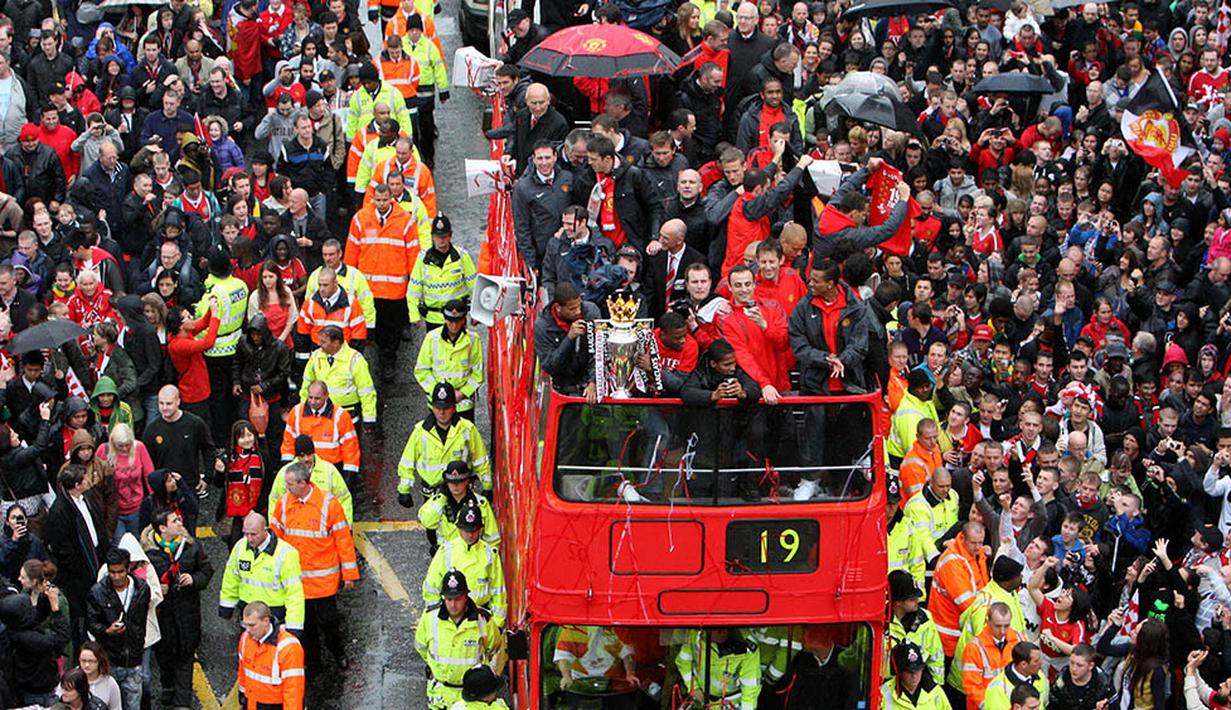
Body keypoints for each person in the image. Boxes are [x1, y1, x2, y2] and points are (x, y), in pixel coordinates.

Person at [269, 461, 357, 669]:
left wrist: (349, 574)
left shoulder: (329, 504)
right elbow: (275, 536)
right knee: (305, 624)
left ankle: (337, 652)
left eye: (290, 484)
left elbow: (343, 539)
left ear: (303, 482)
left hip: (322, 580)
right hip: (297, 578)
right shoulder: (284, 503)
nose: (286, 488)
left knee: (329, 621)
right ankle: (312, 660)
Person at [344, 182, 429, 382]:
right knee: (370, 329)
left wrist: (414, 287)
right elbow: (351, 254)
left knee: (392, 331)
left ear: (391, 198)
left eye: (385, 200)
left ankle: (388, 360)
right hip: (369, 291)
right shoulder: (360, 220)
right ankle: (374, 359)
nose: (381, 204)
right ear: (373, 199)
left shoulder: (405, 222)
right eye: (378, 200)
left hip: (395, 291)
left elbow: (413, 256)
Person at [142, 508, 213, 709]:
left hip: (186, 614)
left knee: (185, 657)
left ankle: (182, 702)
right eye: (174, 521)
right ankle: (168, 688)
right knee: (164, 656)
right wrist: (155, 589)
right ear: (162, 528)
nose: (180, 522)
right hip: (162, 616)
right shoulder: (148, 554)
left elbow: (206, 570)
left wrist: (194, 579)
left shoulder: (191, 547)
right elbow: (140, 583)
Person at [415, 569, 507, 710]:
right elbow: (421, 647)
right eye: (448, 599)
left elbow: (494, 647)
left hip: (472, 700)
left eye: (457, 599)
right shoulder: (429, 618)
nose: (452, 604)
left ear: (466, 596)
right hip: (440, 697)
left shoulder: (483, 620)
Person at [45, 464, 109, 648]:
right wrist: (80, 568)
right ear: (77, 484)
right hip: (80, 570)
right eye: (84, 479)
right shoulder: (59, 511)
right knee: (84, 609)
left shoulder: (86, 498)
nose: (88, 480)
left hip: (96, 555)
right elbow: (62, 548)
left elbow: (98, 524)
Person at [398, 382, 493, 503]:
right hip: (432, 493)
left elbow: (480, 459)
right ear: (432, 407)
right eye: (438, 408)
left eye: (446, 408)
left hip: (459, 491)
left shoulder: (467, 429)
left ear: (454, 408)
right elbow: (407, 461)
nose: (442, 412)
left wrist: (487, 486)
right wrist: (404, 490)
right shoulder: (420, 432)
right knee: (430, 520)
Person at [218, 512, 305, 635]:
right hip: (248, 612)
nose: (249, 538)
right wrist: (227, 605)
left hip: (274, 616)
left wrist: (293, 626)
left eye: (253, 534)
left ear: (265, 530)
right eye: (246, 533)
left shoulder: (286, 554)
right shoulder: (240, 547)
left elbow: (294, 593)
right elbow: (231, 578)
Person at [85, 546, 150, 710]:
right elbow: (92, 623)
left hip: (134, 659)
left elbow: (140, 621)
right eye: (112, 572)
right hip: (110, 659)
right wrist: (107, 631)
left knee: (133, 705)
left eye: (120, 571)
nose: (116, 576)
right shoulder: (97, 592)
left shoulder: (142, 589)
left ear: (128, 568)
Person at [422, 505, 506, 627]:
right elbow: (431, 586)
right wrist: (436, 617)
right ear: (459, 529)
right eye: (466, 530)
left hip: (481, 618)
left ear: (480, 529)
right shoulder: (446, 551)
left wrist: (497, 624)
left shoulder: (490, 555)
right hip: (451, 617)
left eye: (474, 530)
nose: (470, 535)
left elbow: (498, 591)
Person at [414, 299, 484, 421]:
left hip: (463, 404)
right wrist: (439, 392)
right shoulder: (431, 338)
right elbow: (421, 371)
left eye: (458, 321)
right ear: (445, 319)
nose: (454, 325)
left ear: (463, 320)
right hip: (437, 404)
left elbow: (478, 374)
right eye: (450, 321)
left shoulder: (473, 340)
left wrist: (462, 393)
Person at [281, 380, 362, 482]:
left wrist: (349, 478)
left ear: (326, 396)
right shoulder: (296, 413)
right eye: (310, 397)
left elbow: (350, 450)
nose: (312, 402)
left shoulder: (341, 416)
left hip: (331, 472)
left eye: (317, 398)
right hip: (303, 471)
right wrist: (287, 468)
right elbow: (288, 444)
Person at [407, 215, 476, 330]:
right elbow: (413, 290)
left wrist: (476, 313)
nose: (441, 240)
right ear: (433, 237)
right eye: (438, 236)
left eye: (444, 236)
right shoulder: (423, 260)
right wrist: (414, 315)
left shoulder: (462, 257)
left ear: (450, 236)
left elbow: (474, 287)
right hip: (433, 319)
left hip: (457, 317)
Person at [237, 601, 305, 710]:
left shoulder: (288, 647)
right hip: (252, 703)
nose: (247, 630)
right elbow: (243, 669)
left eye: (252, 625)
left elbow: (293, 691)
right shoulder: (245, 638)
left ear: (266, 621)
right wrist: (242, 692)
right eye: (245, 625)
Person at [73, 642, 123, 710]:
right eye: (83, 661)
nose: (86, 665)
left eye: (91, 661)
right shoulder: (72, 678)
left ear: (99, 661)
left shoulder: (110, 683)